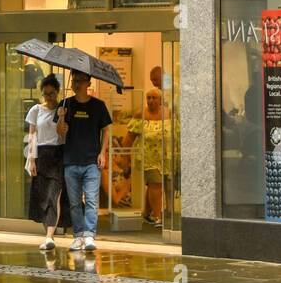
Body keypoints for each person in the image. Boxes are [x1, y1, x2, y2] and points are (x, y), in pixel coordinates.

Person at [56, 69, 112, 252]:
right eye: (75, 80)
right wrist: (61, 117)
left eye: (81, 80)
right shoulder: (65, 104)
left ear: (88, 83)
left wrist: (103, 152)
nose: (77, 83)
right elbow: (60, 132)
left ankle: (89, 235)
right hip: (71, 160)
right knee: (74, 202)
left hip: (91, 162)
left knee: (91, 200)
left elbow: (106, 131)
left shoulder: (98, 106)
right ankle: (78, 236)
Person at [124, 66, 171, 226]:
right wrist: (124, 157)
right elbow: (129, 138)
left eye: (153, 98)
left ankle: (146, 213)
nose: (150, 101)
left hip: (166, 157)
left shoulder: (168, 113)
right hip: (148, 158)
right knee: (155, 185)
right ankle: (158, 217)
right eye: (148, 98)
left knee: (155, 186)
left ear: (159, 100)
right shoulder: (140, 114)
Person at [25, 74, 67, 250]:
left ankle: (50, 235)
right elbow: (32, 135)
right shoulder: (35, 110)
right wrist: (32, 159)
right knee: (42, 197)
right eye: (45, 94)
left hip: (57, 153)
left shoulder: (63, 109)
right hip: (41, 154)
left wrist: (62, 116)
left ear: (57, 92)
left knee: (53, 195)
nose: (48, 97)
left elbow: (63, 134)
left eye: (51, 94)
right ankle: (48, 234)